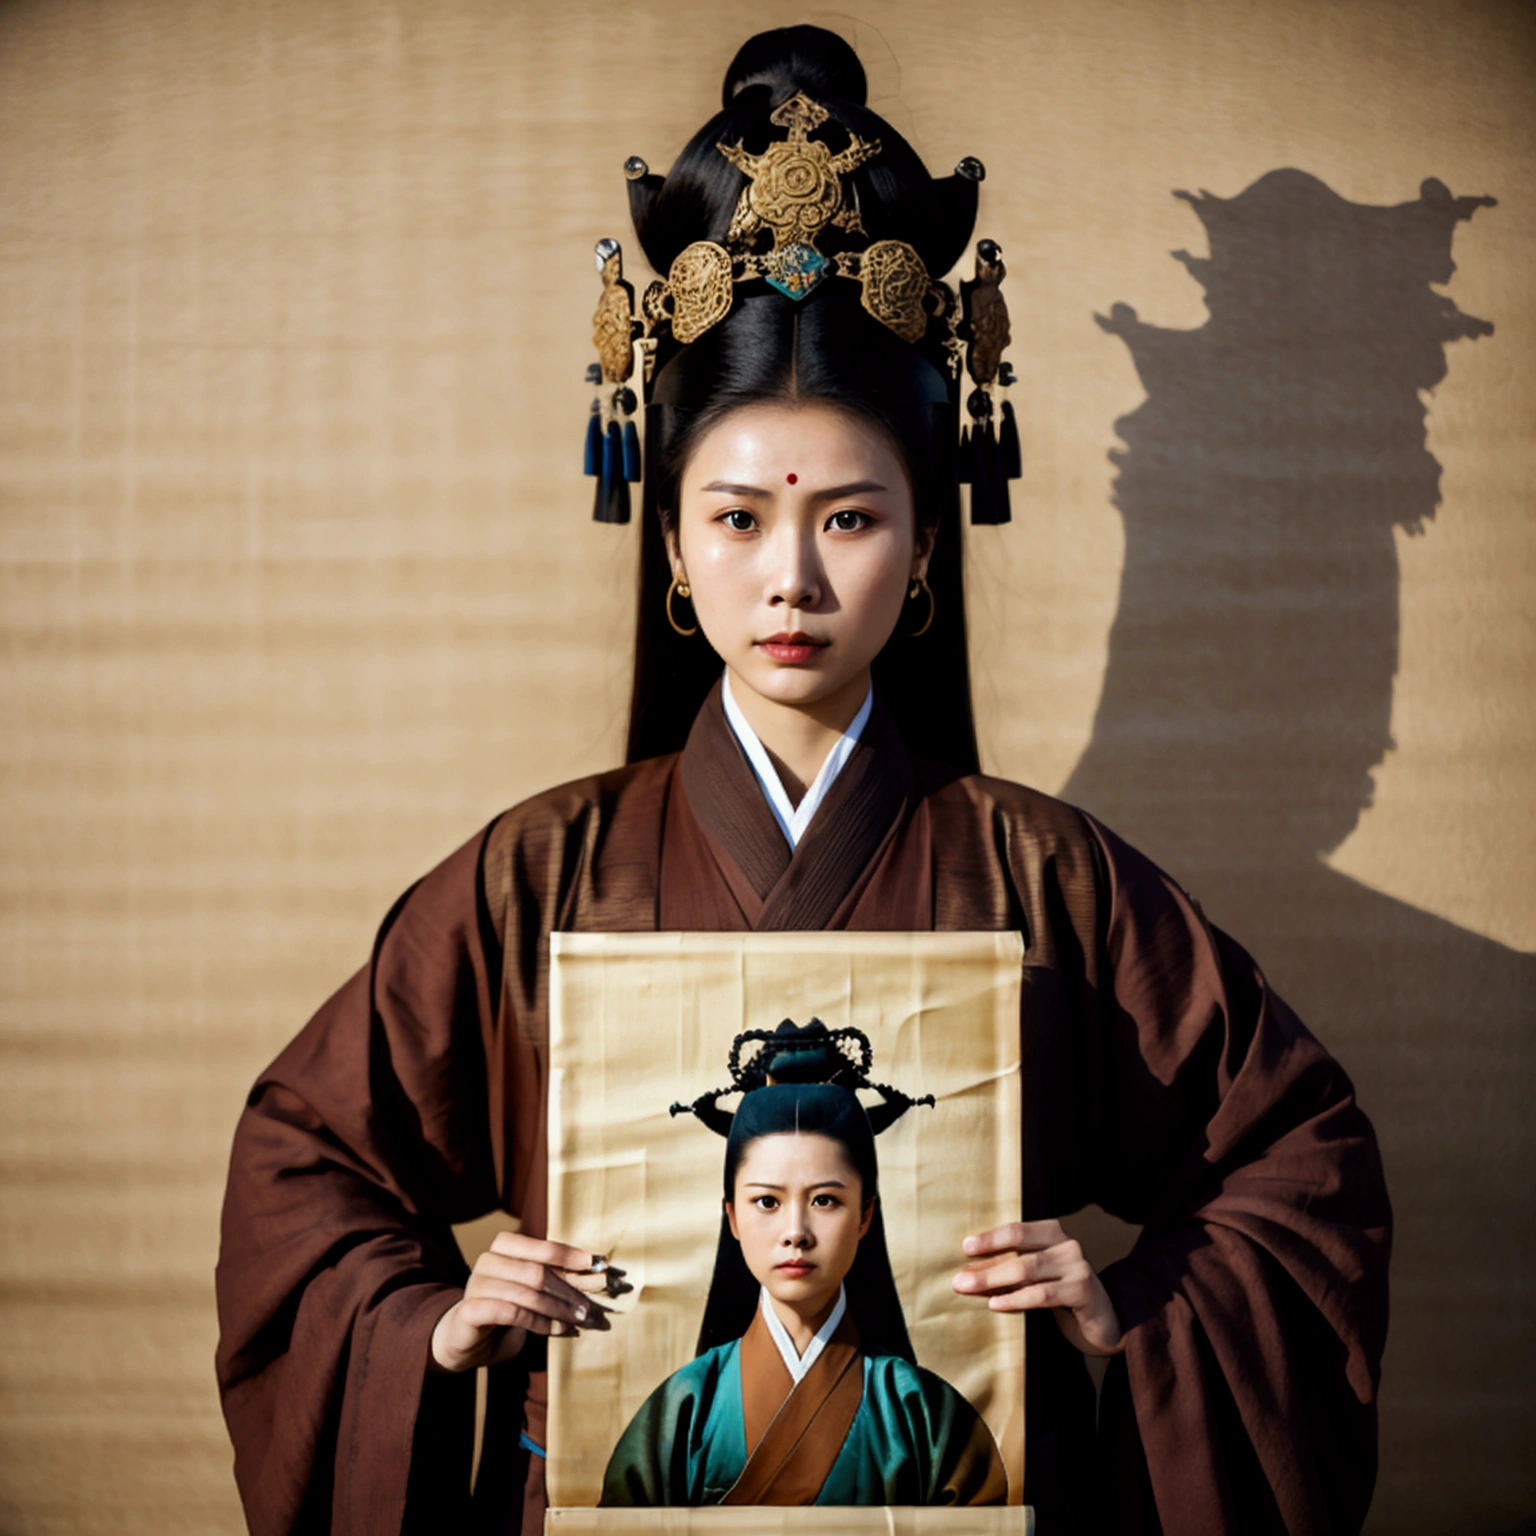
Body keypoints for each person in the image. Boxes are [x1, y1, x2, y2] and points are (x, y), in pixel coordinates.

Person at [215, 24, 1391, 1536]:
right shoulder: (539, 872)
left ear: (921, 558)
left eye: (849, 521)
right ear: (670, 545)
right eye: (737, 518)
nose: (789, 579)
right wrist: (429, 1322)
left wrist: (1126, 1306)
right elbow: (302, 1169)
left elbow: (1299, 1168)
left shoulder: (1052, 879)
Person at [600, 1020, 1009, 1507]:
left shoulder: (922, 1411)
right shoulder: (684, 1407)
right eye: (767, 1203)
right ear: (731, 1216)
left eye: (825, 1201)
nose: (796, 1231)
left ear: (865, 1217)